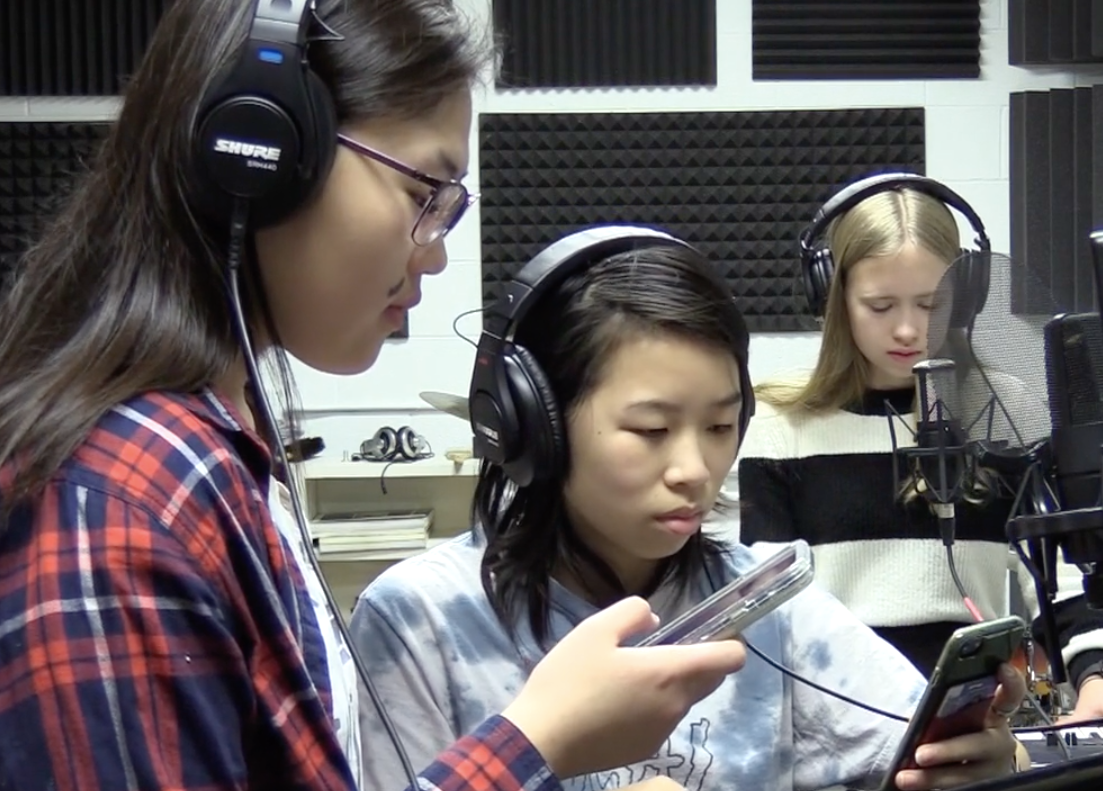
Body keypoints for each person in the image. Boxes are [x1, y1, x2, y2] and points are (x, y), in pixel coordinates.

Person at [0, 2, 746, 790]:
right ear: (260, 155)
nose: (434, 251)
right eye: (426, 191)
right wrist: (537, 740)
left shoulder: (210, 455)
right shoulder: (118, 499)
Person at [348, 227, 1025, 791]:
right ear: (536, 425)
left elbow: (916, 743)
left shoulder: (766, 597)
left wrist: (985, 762)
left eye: (720, 427)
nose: (694, 471)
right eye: (650, 430)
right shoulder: (419, 617)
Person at [734, 173, 1103, 721]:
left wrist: (1094, 675)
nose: (908, 329)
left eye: (932, 304)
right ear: (833, 300)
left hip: (978, 721)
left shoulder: (1004, 409)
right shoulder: (775, 427)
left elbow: (1065, 568)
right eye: (880, 306)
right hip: (833, 724)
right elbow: (765, 615)